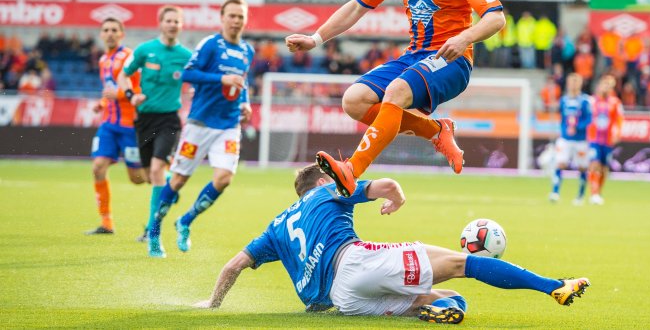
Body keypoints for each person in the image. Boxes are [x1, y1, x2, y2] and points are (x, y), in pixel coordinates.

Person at [285, 0, 505, 198]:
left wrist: (465, 37)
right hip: (415, 55)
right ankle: (437, 130)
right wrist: (315, 37)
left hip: (453, 60)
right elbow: (356, 6)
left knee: (396, 91)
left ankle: (352, 169)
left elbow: (496, 17)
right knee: (354, 100)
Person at [193, 165, 590, 322]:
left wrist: (212, 303)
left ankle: (433, 312)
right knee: (459, 264)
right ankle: (554, 287)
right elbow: (388, 185)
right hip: (353, 264)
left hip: (340, 301)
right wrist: (394, 198)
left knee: (449, 297)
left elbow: (232, 266)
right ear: (319, 182)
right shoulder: (329, 189)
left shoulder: (274, 228)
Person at [147, 0, 254, 258]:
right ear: (222, 18)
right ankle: (154, 231)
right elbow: (188, 74)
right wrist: (221, 78)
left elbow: (242, 81)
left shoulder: (247, 50)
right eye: (232, 15)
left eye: (240, 16)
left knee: (224, 178)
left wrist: (246, 102)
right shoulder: (210, 45)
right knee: (180, 180)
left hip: (228, 125)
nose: (236, 20)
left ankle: (185, 221)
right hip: (200, 123)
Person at [118, 6, 193, 248]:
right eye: (168, 20)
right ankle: (172, 187)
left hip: (169, 119)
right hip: (144, 119)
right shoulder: (144, 50)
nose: (172, 24)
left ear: (181, 26)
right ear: (161, 23)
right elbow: (123, 74)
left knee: (158, 169)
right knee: (152, 176)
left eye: (176, 21)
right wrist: (131, 95)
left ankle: (153, 231)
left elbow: (199, 79)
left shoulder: (186, 55)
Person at [84, 18, 148, 235]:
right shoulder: (103, 60)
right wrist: (102, 103)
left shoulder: (129, 58)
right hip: (109, 124)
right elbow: (109, 90)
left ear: (122, 34)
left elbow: (139, 88)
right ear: (101, 34)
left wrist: (120, 94)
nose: (110, 33)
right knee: (97, 167)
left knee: (138, 178)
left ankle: (165, 183)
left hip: (130, 126)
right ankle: (106, 222)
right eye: (106, 30)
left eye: (114, 30)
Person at [550, 73, 593, 205]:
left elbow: (589, 119)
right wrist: (564, 131)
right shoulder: (563, 100)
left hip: (580, 140)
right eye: (571, 82)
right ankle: (555, 192)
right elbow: (562, 119)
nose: (574, 85)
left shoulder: (586, 100)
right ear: (568, 84)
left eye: (576, 82)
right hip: (565, 139)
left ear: (580, 84)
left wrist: (578, 127)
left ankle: (580, 196)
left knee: (582, 167)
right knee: (560, 163)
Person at [587, 75, 624, 205]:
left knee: (604, 168)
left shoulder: (615, 102)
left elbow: (619, 120)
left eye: (609, 85)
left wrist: (617, 133)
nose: (606, 87)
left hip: (607, 140)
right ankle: (594, 193)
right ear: (599, 85)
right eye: (604, 84)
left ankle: (598, 192)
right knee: (594, 164)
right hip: (594, 139)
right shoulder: (591, 101)